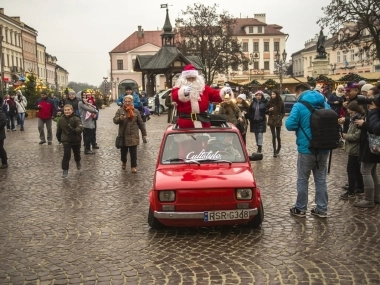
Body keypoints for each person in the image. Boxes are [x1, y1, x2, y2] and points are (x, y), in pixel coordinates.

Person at [285, 83, 330, 218]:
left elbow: (289, 125)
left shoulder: (299, 106)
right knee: (321, 179)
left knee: (303, 179)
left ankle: (300, 209)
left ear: (299, 92)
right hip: (324, 147)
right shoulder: (324, 104)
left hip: (306, 148)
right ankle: (322, 209)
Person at [171, 64, 231, 128]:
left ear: (197, 78)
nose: (191, 80)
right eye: (188, 78)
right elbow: (175, 96)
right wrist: (183, 93)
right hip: (186, 122)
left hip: (203, 121)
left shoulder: (203, 88)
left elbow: (216, 95)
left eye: (193, 78)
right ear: (184, 79)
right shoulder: (178, 88)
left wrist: (225, 93)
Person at [354, 85, 380, 207]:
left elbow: (376, 128)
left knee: (365, 170)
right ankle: (376, 197)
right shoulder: (373, 110)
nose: (368, 98)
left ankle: (369, 199)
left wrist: (364, 124)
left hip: (372, 144)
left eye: (370, 96)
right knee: (372, 171)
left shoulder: (376, 112)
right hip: (372, 144)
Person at [113, 95, 147, 173]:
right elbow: (115, 120)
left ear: (132, 102)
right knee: (123, 153)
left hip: (133, 135)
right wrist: (119, 119)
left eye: (129, 101)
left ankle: (133, 166)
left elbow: (141, 123)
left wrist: (144, 134)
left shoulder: (136, 111)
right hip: (123, 135)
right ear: (124, 102)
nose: (127, 103)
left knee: (133, 153)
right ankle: (124, 162)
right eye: (126, 101)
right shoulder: (120, 111)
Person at [339, 101, 364, 199]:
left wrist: (346, 136)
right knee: (357, 169)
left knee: (351, 169)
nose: (350, 115)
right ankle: (359, 187)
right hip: (354, 148)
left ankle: (351, 191)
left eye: (351, 113)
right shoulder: (355, 119)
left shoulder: (358, 120)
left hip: (355, 148)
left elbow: (357, 135)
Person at [56, 104, 84, 178]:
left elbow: (80, 127)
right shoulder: (61, 119)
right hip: (66, 139)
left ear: (72, 110)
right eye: (65, 110)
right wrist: (59, 138)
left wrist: (75, 131)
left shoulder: (76, 118)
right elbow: (59, 130)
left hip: (76, 139)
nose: (67, 111)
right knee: (66, 155)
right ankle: (65, 170)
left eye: (68, 110)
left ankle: (78, 161)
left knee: (77, 154)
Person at [267, 90, 285, 157]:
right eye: (271, 94)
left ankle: (279, 146)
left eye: (273, 94)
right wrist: (269, 110)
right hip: (271, 119)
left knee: (278, 136)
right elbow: (265, 111)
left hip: (278, 120)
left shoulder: (281, 102)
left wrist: (280, 119)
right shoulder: (269, 102)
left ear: (276, 95)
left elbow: (283, 112)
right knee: (273, 136)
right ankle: (274, 151)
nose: (272, 95)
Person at [0, 96, 8, 169]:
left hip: (0, 134)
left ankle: (4, 162)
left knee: (0, 148)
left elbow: (3, 122)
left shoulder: (1, 112)